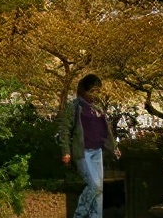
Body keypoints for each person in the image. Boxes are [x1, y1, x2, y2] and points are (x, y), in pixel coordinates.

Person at [59, 74, 120, 218]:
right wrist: (66, 151)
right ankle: (79, 214)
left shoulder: (97, 108)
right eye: (92, 90)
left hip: (97, 152)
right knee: (94, 186)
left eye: (98, 91)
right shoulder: (74, 107)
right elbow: (65, 130)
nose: (95, 94)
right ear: (83, 91)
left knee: (99, 191)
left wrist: (114, 148)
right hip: (83, 152)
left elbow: (105, 131)